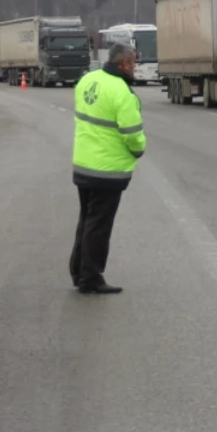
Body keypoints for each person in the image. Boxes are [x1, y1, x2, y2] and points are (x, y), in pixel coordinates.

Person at [70, 42, 146, 294]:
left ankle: (78, 271)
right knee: (99, 224)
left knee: (87, 220)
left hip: (83, 164)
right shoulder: (122, 92)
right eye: (133, 63)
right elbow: (132, 133)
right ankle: (91, 277)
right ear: (123, 64)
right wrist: (138, 150)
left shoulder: (87, 80)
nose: (134, 68)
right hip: (108, 169)